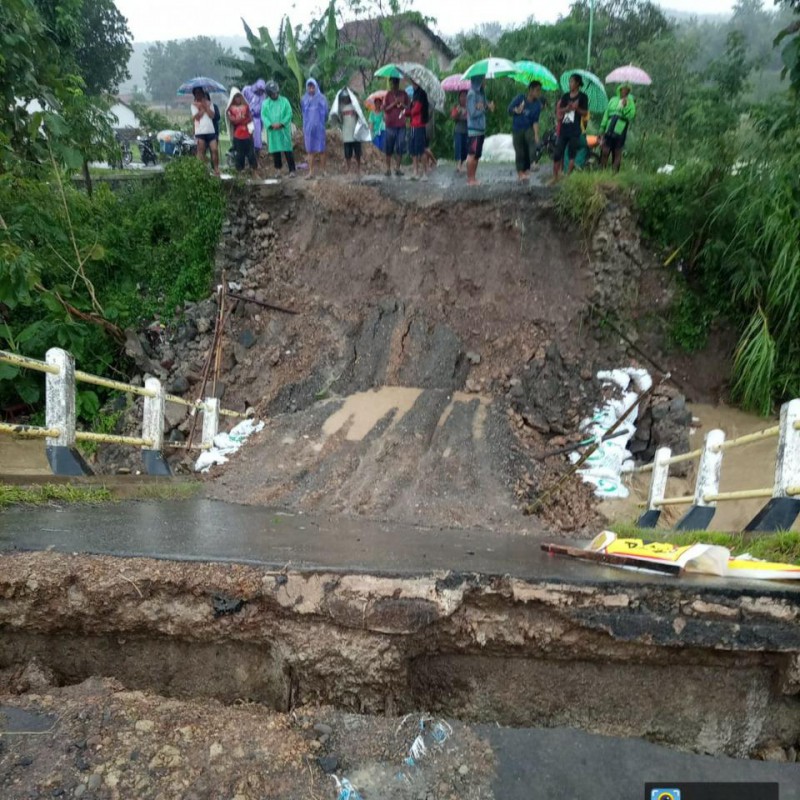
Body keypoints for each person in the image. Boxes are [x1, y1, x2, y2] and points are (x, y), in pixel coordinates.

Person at [552, 73, 589, 181]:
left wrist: (576, 108)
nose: (570, 84)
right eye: (569, 81)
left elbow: (585, 112)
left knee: (571, 154)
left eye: (572, 81)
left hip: (575, 129)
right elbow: (560, 110)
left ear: (577, 83)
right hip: (564, 128)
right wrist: (567, 108)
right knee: (558, 152)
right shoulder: (565, 96)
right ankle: (555, 177)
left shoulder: (583, 97)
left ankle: (567, 176)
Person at [508, 81, 543, 181]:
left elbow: (535, 121)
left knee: (532, 141)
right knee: (520, 152)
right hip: (517, 128)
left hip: (528, 127)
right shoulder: (520, 98)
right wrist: (516, 110)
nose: (539, 92)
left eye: (539, 90)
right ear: (531, 90)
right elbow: (509, 110)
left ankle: (533, 162)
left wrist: (536, 134)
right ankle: (520, 173)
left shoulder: (537, 105)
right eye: (537, 90)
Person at [261, 81, 296, 178]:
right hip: (273, 132)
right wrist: (271, 125)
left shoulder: (284, 101)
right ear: (269, 94)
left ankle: (292, 170)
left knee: (288, 150)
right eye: (273, 93)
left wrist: (282, 123)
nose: (275, 94)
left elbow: (289, 113)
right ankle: (278, 171)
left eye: (276, 92)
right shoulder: (265, 104)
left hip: (283, 131)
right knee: (276, 152)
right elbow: (264, 116)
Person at [600, 83, 636, 173]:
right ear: (619, 90)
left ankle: (614, 173)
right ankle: (601, 172)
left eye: (627, 90)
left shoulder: (630, 102)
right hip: (609, 125)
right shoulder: (613, 100)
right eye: (623, 89)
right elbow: (606, 113)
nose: (624, 92)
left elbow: (631, 115)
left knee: (617, 151)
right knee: (605, 150)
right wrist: (602, 127)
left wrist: (624, 107)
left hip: (621, 127)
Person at [466, 76, 494, 186]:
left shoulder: (481, 93)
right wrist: (482, 108)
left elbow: (484, 107)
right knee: (472, 154)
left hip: (481, 128)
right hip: (474, 129)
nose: (485, 81)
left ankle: (473, 177)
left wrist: (487, 106)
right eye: (483, 79)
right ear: (478, 80)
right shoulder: (472, 94)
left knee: (477, 155)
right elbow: (472, 113)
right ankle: (470, 178)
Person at [301, 78, 329, 180]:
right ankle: (311, 172)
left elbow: (326, 113)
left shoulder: (322, 98)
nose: (311, 89)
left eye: (313, 87)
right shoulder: (304, 99)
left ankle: (323, 171)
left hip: (319, 128)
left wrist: (321, 123)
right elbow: (303, 113)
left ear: (316, 86)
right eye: (309, 87)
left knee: (321, 150)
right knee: (310, 151)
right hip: (308, 129)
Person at [383, 76, 410, 177]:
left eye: (395, 83)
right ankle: (388, 168)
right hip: (390, 125)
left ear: (398, 83)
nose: (394, 85)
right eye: (392, 83)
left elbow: (408, 107)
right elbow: (385, 109)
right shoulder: (388, 95)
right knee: (389, 147)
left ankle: (398, 168)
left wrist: (402, 104)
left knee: (400, 146)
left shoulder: (404, 94)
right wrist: (393, 103)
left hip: (401, 124)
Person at [225, 87, 257, 172]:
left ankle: (254, 171)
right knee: (240, 156)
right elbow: (233, 121)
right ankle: (240, 173)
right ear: (233, 98)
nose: (238, 98)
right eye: (236, 97)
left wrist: (241, 120)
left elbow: (249, 118)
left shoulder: (246, 107)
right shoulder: (230, 109)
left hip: (247, 134)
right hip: (238, 135)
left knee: (251, 154)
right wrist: (241, 119)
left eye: (239, 96)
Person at [191, 86, 220, 176]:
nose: (199, 94)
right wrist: (203, 108)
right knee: (201, 152)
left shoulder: (210, 103)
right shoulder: (193, 105)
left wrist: (205, 106)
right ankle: (202, 170)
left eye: (200, 92)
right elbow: (196, 117)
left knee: (214, 150)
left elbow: (212, 115)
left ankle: (216, 168)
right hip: (200, 131)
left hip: (211, 131)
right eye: (197, 93)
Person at [408, 81, 430, 180]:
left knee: (421, 149)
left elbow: (416, 109)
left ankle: (424, 173)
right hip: (413, 124)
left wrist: (407, 111)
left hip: (419, 125)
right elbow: (412, 109)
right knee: (413, 149)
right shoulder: (415, 93)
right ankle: (415, 171)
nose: (412, 83)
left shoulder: (421, 93)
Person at [451, 90, 469, 173]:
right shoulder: (456, 107)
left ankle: (464, 163)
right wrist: (458, 112)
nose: (463, 98)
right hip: (458, 130)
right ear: (459, 98)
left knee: (465, 147)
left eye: (465, 96)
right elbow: (453, 117)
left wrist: (466, 113)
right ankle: (458, 164)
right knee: (458, 147)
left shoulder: (469, 107)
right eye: (461, 96)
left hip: (467, 130)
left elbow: (471, 118)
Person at [248, 79, 267, 154]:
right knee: (249, 134)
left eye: (262, 90)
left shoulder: (263, 96)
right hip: (249, 117)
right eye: (259, 89)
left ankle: (257, 151)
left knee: (257, 135)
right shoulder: (247, 90)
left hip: (259, 118)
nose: (260, 91)